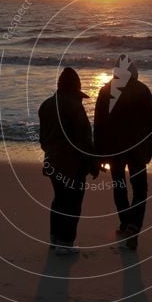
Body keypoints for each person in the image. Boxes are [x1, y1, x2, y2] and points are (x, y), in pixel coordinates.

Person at [93, 54, 152, 250]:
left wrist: (99, 154)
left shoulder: (106, 91)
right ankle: (133, 226)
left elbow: (99, 125)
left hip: (114, 150)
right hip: (137, 149)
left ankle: (126, 223)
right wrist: (150, 147)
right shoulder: (143, 90)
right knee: (140, 189)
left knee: (119, 186)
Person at [38, 67, 99, 254]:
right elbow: (84, 140)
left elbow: (43, 139)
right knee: (72, 203)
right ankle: (66, 243)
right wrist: (93, 164)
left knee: (59, 200)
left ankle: (55, 239)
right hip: (73, 165)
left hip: (52, 162)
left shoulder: (46, 105)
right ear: (75, 87)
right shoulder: (74, 106)